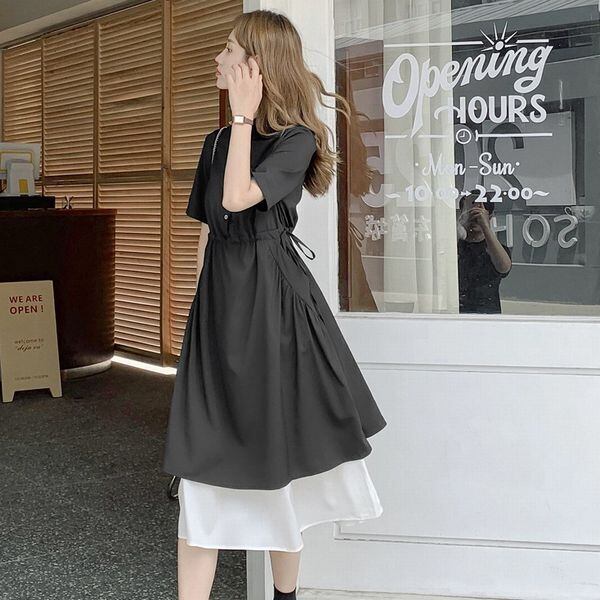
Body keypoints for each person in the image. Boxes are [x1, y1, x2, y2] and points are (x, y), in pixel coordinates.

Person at [162, 10, 387, 600]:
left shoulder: (296, 140)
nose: (217, 58)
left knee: (283, 467)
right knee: (200, 468)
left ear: (255, 66)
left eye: (228, 50)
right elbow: (210, 230)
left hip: (275, 310)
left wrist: (242, 117)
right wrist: (197, 316)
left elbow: (239, 197)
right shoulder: (217, 142)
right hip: (221, 306)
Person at [457, 191, 512, 314]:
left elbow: (504, 268)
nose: (474, 217)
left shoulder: (494, 248)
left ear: (490, 217)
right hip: (457, 313)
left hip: (487, 315)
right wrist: (461, 224)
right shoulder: (455, 245)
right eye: (470, 212)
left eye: (478, 214)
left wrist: (485, 226)